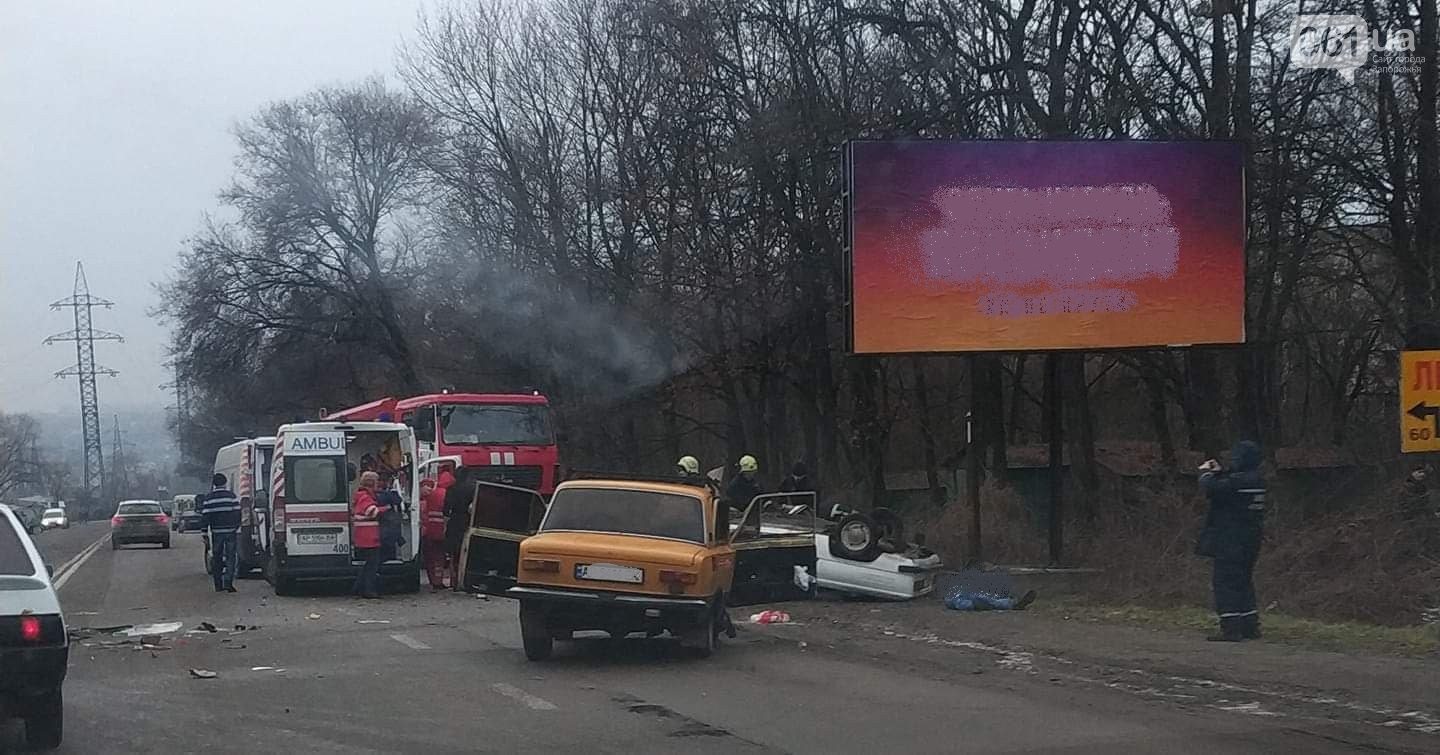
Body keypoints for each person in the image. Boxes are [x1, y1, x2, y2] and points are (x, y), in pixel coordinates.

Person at [1196, 440, 1267, 642]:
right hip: (1251, 538)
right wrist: (1221, 473)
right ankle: (1250, 626)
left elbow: (1212, 489)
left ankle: (1231, 628)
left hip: (1230, 537)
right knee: (1243, 580)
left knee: (1225, 581)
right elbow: (1229, 487)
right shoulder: (1258, 480)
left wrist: (1207, 472)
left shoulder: (1237, 482)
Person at [201, 473, 242, 593]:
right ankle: (228, 582)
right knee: (231, 557)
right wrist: (236, 526)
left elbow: (205, 517)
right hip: (230, 531)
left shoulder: (209, 499)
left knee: (217, 557)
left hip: (216, 532)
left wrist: (204, 532)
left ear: (214, 484)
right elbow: (237, 512)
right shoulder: (231, 496)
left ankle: (218, 584)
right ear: (225, 483)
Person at [352, 471, 385, 599]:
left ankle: (358, 587)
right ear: (372, 483)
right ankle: (368, 590)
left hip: (363, 535)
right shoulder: (365, 496)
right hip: (368, 536)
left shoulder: (360, 495)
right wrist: (386, 508)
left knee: (367, 564)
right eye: (376, 482)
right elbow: (371, 511)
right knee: (372, 565)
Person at [422, 469, 455, 590]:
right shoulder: (448, 494)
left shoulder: (432, 493)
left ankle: (433, 581)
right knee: (442, 558)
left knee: (431, 557)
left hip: (430, 529)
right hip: (443, 529)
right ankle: (442, 580)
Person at [443, 473, 475, 590]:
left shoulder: (451, 489)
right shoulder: (473, 488)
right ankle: (468, 582)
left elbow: (446, 509)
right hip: (469, 522)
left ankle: (455, 582)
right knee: (469, 553)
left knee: (454, 553)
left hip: (455, 522)